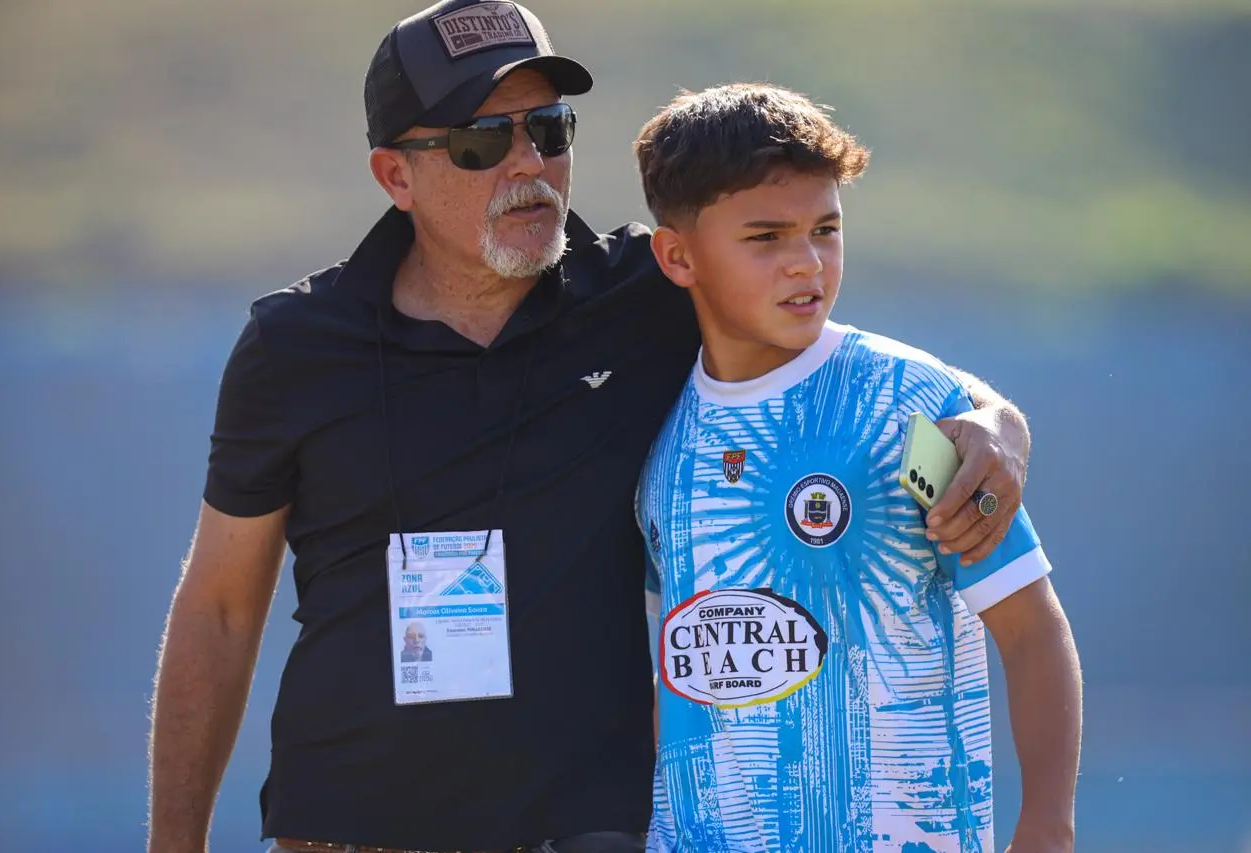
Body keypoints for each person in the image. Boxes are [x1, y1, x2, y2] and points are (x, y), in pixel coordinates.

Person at [146, 2, 1037, 852]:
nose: (527, 163)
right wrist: (174, 842)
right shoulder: (293, 347)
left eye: (549, 128)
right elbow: (220, 611)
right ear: (395, 175)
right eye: (482, 141)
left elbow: (851, 363)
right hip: (349, 831)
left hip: (589, 834)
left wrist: (996, 422)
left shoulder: (652, 291)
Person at [632, 83, 1083, 852]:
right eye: (766, 237)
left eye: (826, 230)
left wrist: (1047, 823)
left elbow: (1029, 624)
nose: (806, 263)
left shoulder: (913, 410)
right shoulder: (656, 436)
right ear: (678, 256)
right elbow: (679, 670)